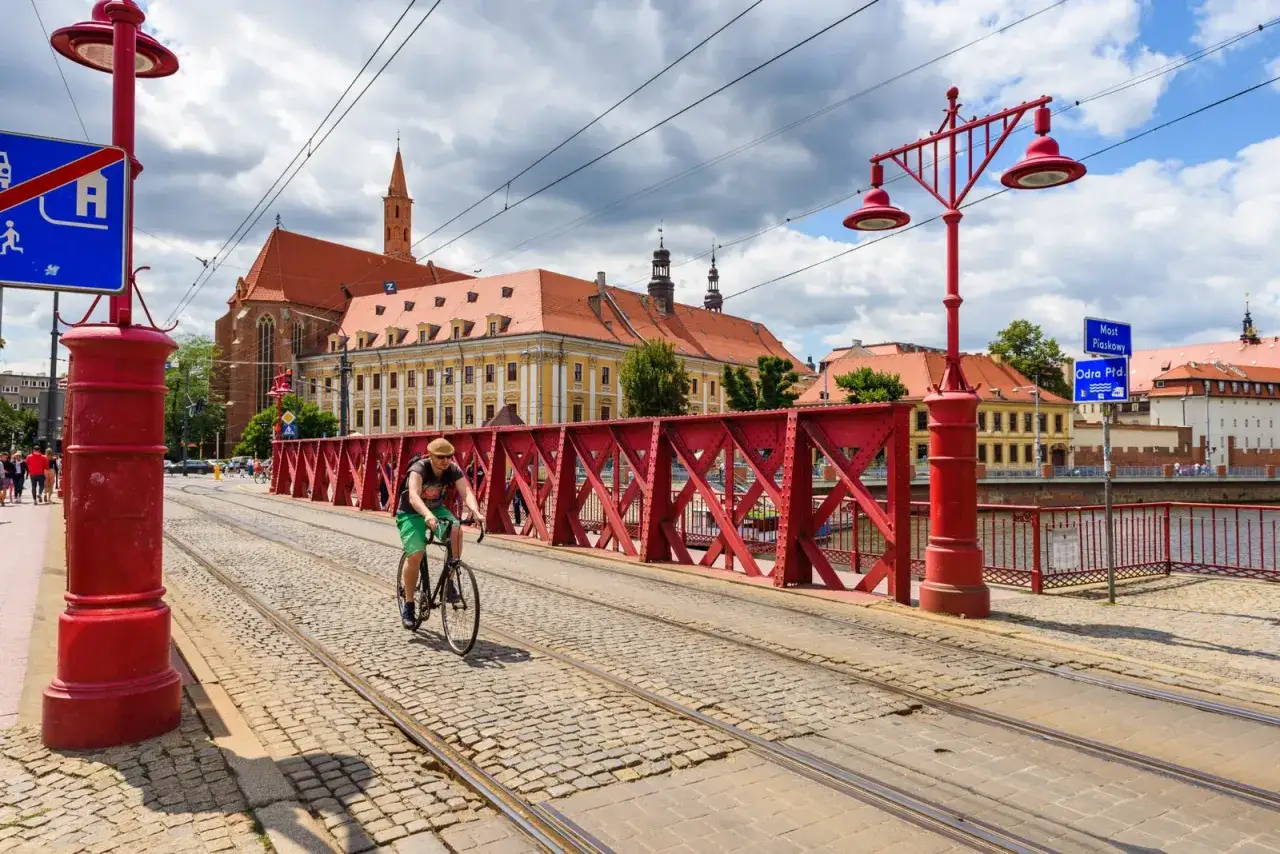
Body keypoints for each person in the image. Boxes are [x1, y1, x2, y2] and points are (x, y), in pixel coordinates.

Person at [395, 437, 482, 629]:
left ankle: (450, 581)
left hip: (436, 510)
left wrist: (475, 511)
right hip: (411, 513)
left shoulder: (452, 469)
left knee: (456, 529)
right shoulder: (419, 468)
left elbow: (466, 491)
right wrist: (427, 515)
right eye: (440, 457)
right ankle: (409, 604)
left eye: (449, 457)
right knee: (415, 554)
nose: (445, 460)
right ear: (430, 456)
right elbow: (413, 496)